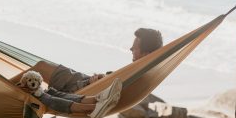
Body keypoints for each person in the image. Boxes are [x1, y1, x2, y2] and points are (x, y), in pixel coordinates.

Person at [0, 22, 122, 118]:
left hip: (4, 91)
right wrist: (16, 88)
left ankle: (96, 98)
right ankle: (92, 106)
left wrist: (16, 86)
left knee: (46, 86)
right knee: (44, 96)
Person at [10, 28, 163, 94]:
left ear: (146, 53)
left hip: (80, 86)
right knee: (39, 70)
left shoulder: (138, 72)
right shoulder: (143, 71)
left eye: (134, 47)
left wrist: (99, 80)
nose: (130, 49)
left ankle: (5, 88)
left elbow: (113, 86)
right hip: (86, 83)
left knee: (41, 67)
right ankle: (7, 88)